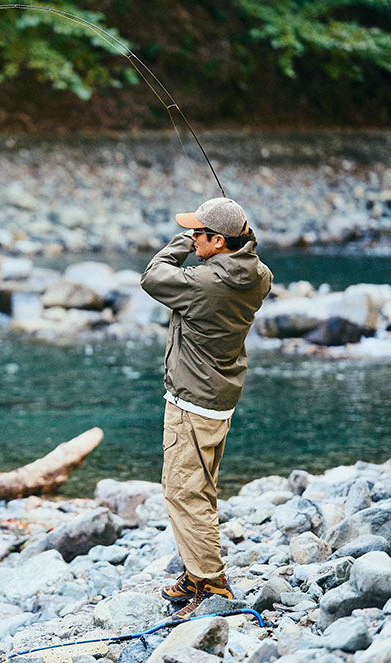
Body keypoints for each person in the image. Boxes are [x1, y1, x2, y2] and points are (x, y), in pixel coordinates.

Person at [140, 197, 273, 619]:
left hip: (192, 403)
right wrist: (234, 236)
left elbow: (152, 276)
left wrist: (183, 243)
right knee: (200, 489)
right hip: (219, 398)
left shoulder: (203, 283)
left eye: (198, 232)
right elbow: (246, 252)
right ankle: (195, 573)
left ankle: (211, 583)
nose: (191, 236)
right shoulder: (258, 276)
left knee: (183, 492)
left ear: (218, 241)